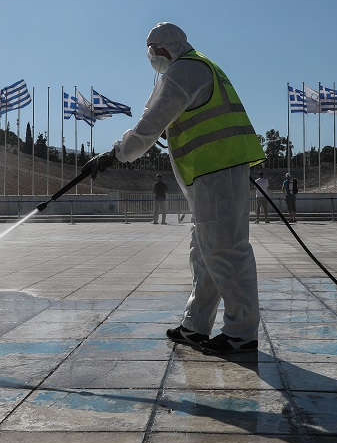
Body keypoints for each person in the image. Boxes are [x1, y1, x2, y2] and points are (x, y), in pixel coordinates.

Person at [81, 22, 266, 354]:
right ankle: (196, 326)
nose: (151, 59)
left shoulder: (185, 70)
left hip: (217, 168)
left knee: (225, 250)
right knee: (205, 251)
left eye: (151, 53)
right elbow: (164, 117)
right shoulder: (197, 66)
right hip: (210, 171)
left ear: (160, 50)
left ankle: (242, 333)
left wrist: (114, 155)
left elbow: (151, 123)